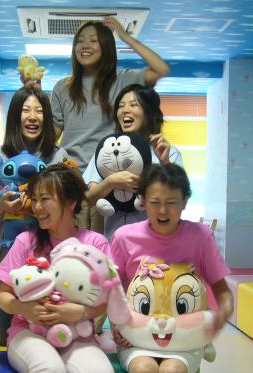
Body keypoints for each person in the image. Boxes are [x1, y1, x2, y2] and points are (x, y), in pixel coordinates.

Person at [109, 164, 233, 373]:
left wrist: (223, 313)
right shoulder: (124, 237)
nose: (162, 210)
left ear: (185, 201)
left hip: (182, 337)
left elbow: (221, 288)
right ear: (142, 201)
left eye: (171, 202)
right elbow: (111, 289)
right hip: (138, 336)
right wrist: (115, 325)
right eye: (154, 202)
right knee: (143, 371)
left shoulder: (199, 236)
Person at [0, 164, 115, 373]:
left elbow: (106, 300)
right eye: (35, 199)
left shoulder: (95, 243)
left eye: (45, 199)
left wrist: (78, 313)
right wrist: (26, 308)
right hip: (28, 334)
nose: (37, 207)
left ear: (71, 202)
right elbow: (3, 296)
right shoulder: (26, 241)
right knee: (49, 371)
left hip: (78, 336)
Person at [50, 18, 170, 230]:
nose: (85, 45)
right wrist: (35, 98)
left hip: (107, 179)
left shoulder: (123, 80)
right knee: (68, 245)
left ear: (106, 46)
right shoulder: (62, 87)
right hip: (69, 180)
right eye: (80, 41)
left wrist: (125, 37)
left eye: (93, 40)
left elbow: (161, 69)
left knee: (100, 245)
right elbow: (52, 135)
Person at [0, 86, 69, 346]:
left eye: (39, 111)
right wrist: (2, 206)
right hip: (2, 257)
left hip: (48, 257)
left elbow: (68, 203)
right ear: (15, 115)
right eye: (26, 110)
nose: (33, 116)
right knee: (4, 332)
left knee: (46, 329)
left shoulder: (58, 156)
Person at [84, 84, 183, 239]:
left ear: (149, 112)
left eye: (133, 105)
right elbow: (89, 199)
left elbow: (180, 199)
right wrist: (111, 182)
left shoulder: (167, 151)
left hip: (155, 242)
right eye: (121, 106)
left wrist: (165, 164)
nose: (125, 110)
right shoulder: (107, 150)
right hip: (115, 241)